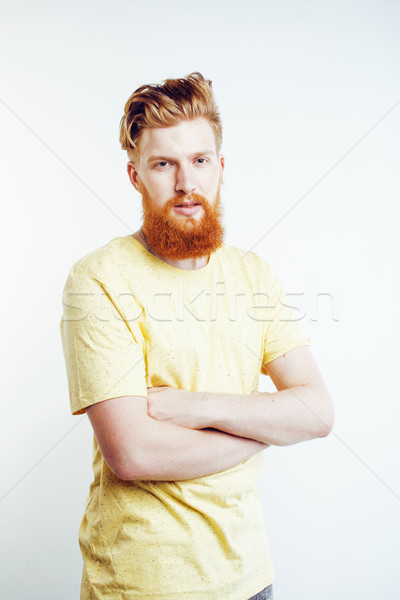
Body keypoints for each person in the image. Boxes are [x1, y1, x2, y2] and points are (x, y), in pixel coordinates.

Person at [60, 72, 334, 600]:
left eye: (200, 160)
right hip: (143, 584)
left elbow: (318, 412)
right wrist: (264, 425)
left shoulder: (254, 275)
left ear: (221, 168)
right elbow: (134, 453)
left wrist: (191, 407)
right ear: (135, 175)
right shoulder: (97, 280)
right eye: (164, 164)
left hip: (250, 578)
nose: (187, 183)